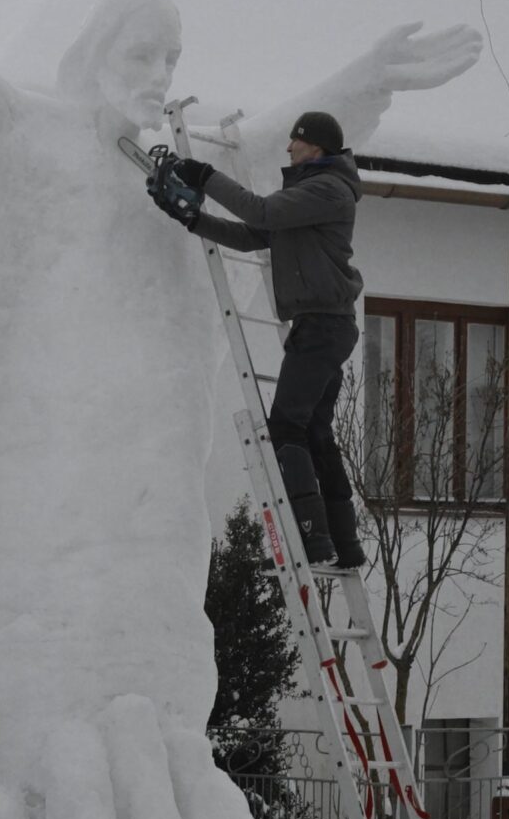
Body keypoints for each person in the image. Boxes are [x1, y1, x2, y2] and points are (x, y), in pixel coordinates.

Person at [152, 111, 367, 576]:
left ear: (316, 146)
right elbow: (254, 235)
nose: (288, 148)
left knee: (286, 427)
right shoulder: (310, 194)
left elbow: (262, 212)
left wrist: (205, 176)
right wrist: (191, 219)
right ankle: (343, 543)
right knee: (314, 431)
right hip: (327, 325)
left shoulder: (327, 189)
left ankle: (311, 539)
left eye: (296, 140)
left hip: (322, 326)